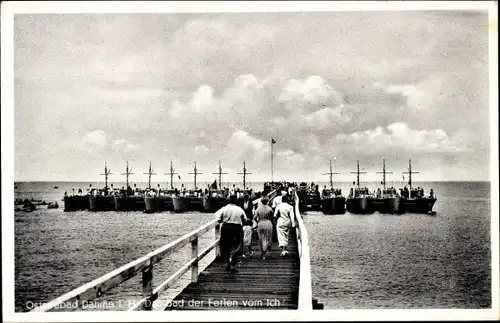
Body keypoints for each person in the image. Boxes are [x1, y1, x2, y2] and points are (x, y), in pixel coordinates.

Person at [214, 194, 247, 272]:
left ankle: (227, 263)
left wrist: (224, 219)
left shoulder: (224, 208)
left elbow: (217, 218)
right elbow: (245, 219)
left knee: (225, 245)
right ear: (236, 201)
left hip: (226, 227)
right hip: (237, 228)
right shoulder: (239, 209)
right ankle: (233, 262)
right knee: (237, 245)